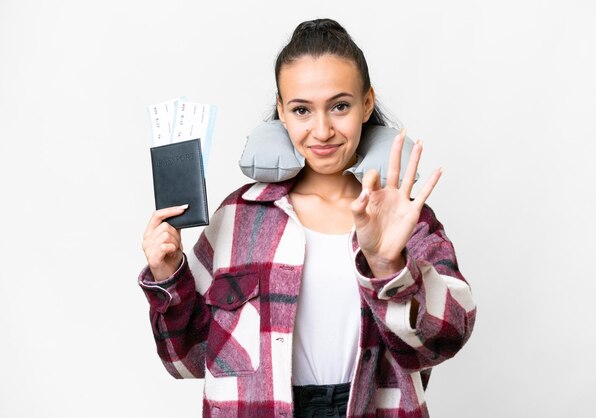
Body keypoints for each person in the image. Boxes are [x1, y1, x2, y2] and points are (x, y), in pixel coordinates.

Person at [139, 18, 476, 418]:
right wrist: (168, 276)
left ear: (367, 103)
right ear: (282, 112)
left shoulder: (404, 218)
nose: (322, 130)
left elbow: (446, 340)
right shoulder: (238, 217)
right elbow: (188, 361)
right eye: (302, 109)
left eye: (340, 106)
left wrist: (389, 265)